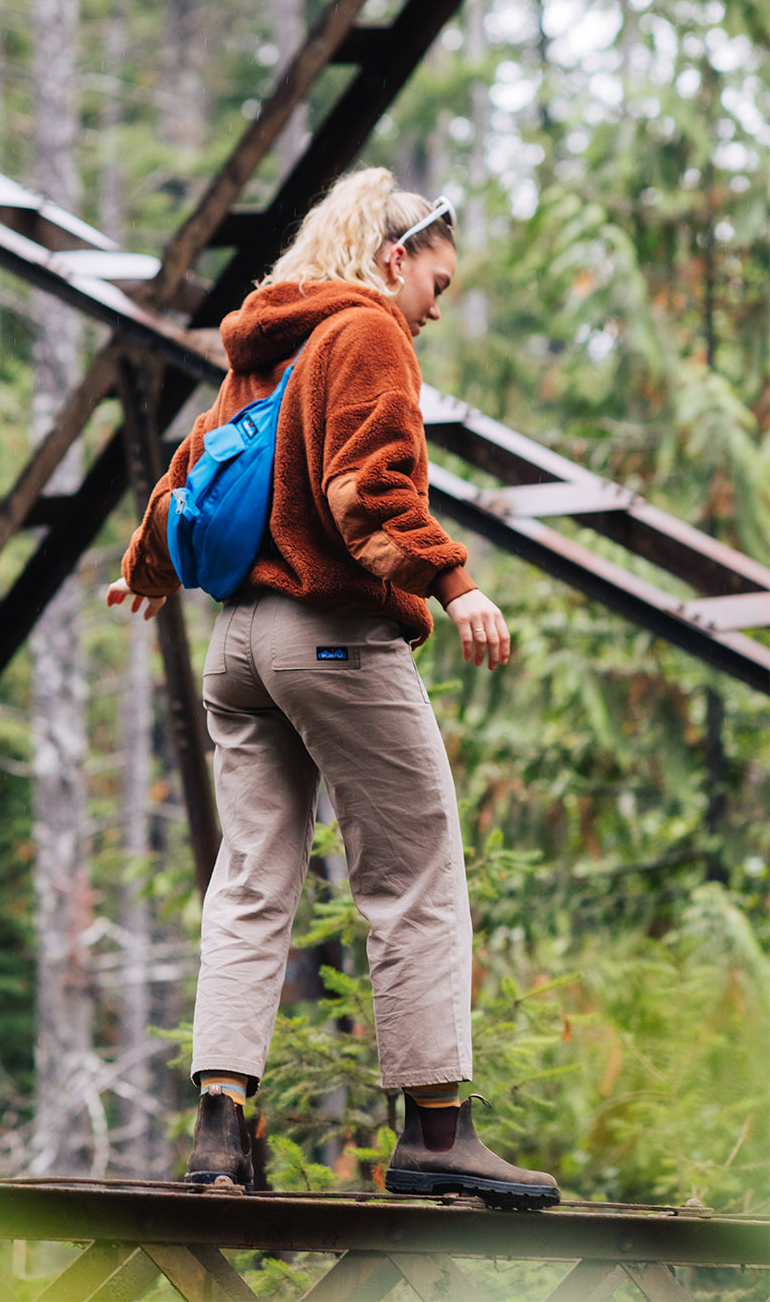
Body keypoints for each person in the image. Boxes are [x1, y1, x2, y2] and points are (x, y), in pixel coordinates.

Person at [107, 168, 559, 1209]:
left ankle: (220, 1133)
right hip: (331, 636)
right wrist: (457, 585)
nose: (435, 308)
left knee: (249, 881)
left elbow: (190, 473)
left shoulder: (270, 346)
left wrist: (146, 566)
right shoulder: (366, 333)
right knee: (413, 870)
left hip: (238, 649)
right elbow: (366, 491)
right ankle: (437, 1130)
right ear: (395, 259)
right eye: (436, 283)